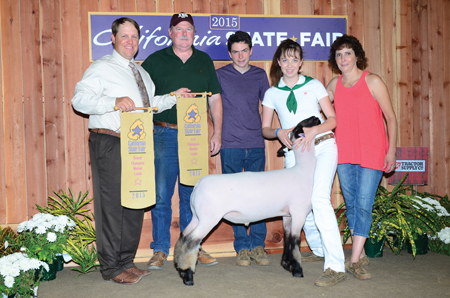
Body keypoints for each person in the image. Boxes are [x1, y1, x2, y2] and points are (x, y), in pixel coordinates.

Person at [72, 17, 188, 285]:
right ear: (113, 38)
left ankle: (126, 261)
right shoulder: (101, 67)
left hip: (138, 145)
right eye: (124, 36)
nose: (130, 41)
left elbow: (146, 105)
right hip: (111, 142)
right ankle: (111, 267)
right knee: (112, 205)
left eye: (134, 37)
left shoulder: (142, 74)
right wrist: (112, 102)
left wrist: (173, 97)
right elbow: (79, 100)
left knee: (136, 203)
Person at [141, 12, 223, 269]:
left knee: (192, 196)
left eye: (189, 29)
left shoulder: (204, 60)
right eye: (179, 29)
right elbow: (143, 100)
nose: (184, 33)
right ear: (170, 32)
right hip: (163, 133)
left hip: (195, 137)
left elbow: (215, 99)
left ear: (194, 33)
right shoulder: (155, 61)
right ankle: (160, 249)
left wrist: (217, 132)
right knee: (162, 195)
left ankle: (192, 246)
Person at [261, 39, 346, 287]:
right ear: (279, 61)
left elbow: (332, 120)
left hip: (322, 146)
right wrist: (278, 133)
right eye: (285, 59)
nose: (289, 64)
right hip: (295, 152)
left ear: (301, 62)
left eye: (294, 59)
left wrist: (313, 131)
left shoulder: (315, 85)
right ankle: (320, 250)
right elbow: (265, 129)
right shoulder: (272, 92)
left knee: (319, 200)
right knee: (300, 206)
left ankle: (335, 266)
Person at [326, 34, 397, 280]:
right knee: (353, 204)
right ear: (334, 59)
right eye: (338, 54)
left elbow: (391, 118)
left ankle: (354, 260)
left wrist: (391, 150)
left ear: (357, 56)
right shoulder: (333, 85)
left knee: (364, 205)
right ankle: (361, 253)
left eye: (348, 53)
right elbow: (320, 109)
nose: (343, 58)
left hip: (373, 151)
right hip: (344, 152)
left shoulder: (373, 81)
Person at [216, 31, 270, 266]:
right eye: (235, 52)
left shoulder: (260, 75)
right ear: (229, 53)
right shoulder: (219, 75)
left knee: (259, 197)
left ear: (250, 51)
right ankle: (242, 247)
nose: (240, 55)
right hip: (230, 145)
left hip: (256, 143)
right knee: (234, 197)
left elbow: (268, 107)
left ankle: (258, 245)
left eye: (244, 51)